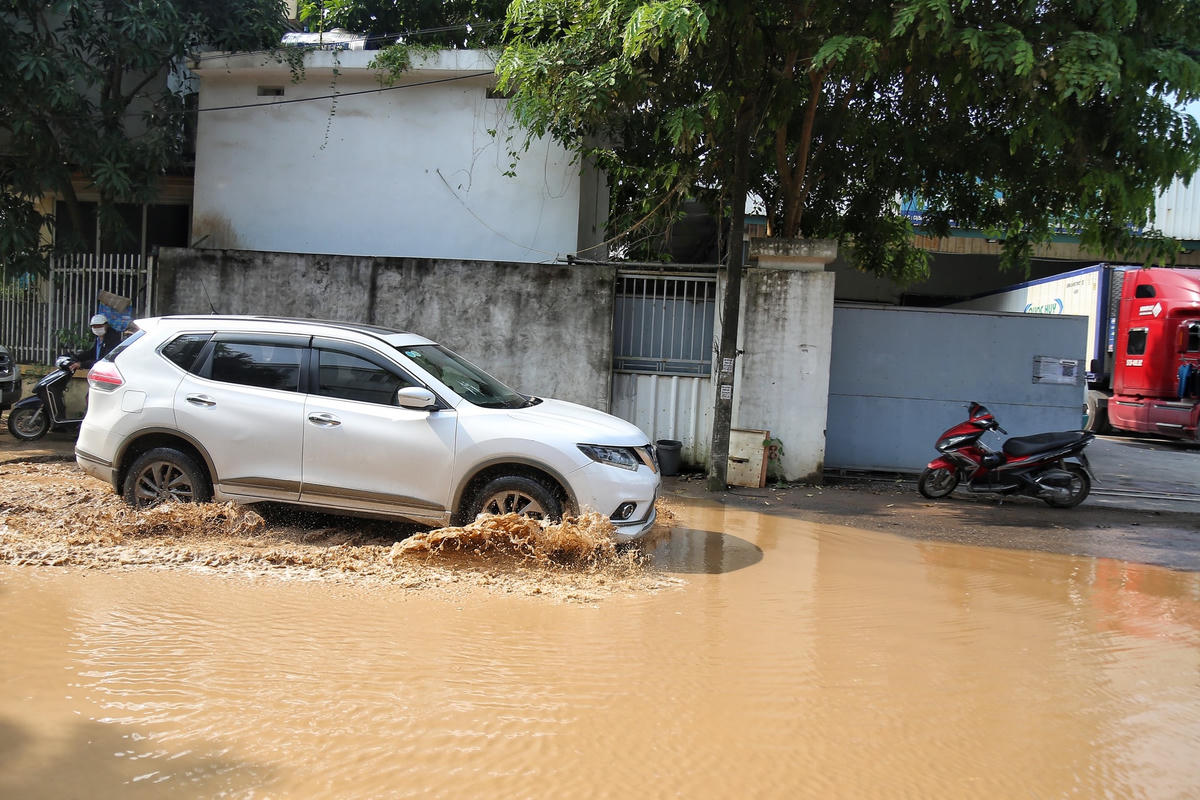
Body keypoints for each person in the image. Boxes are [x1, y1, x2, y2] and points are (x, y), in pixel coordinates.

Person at [49, 314, 122, 421]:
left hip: (108, 375)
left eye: (99, 326)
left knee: (92, 398)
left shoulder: (112, 340)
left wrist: (82, 364)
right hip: (99, 374)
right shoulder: (99, 339)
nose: (97, 328)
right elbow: (92, 353)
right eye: (94, 326)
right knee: (91, 398)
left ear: (106, 325)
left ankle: (90, 421)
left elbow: (103, 360)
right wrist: (76, 358)